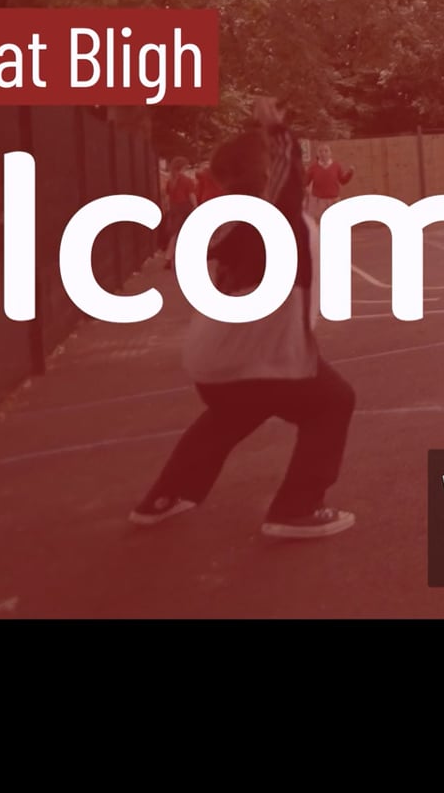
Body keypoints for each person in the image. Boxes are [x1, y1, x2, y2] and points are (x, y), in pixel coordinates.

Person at [129, 99, 359, 539]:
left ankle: (165, 496)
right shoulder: (276, 222)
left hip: (212, 358)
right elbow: (286, 187)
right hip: (262, 357)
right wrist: (278, 132)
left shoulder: (226, 221)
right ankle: (297, 508)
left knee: (233, 412)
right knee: (333, 402)